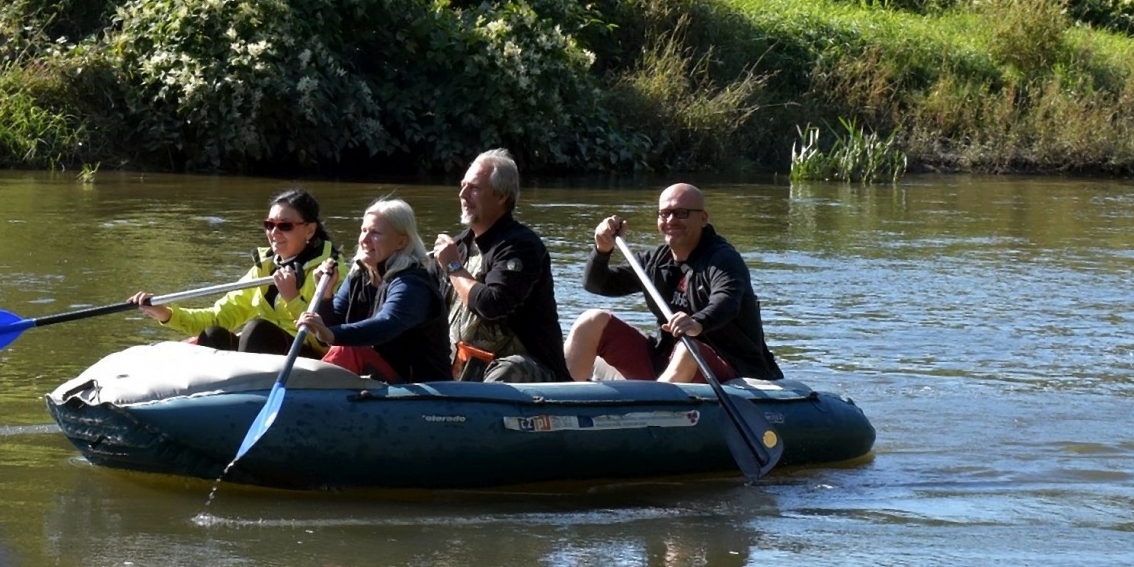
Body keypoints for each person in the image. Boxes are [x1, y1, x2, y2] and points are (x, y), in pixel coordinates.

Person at [564, 183, 782, 383]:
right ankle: (556, 404)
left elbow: (727, 300)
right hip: (668, 363)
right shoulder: (654, 262)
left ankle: (654, 413)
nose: (671, 220)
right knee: (591, 321)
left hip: (730, 371)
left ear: (703, 218)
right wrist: (602, 250)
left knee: (689, 351)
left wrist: (698, 322)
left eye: (681, 213)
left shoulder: (723, 259)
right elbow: (597, 284)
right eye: (664, 214)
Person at [127, 187, 336, 355]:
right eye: (269, 225)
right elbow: (218, 317)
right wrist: (166, 314)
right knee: (212, 334)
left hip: (310, 359)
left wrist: (292, 298)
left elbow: (328, 338)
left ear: (309, 229)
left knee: (256, 331)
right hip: (266, 356)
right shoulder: (264, 269)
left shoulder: (332, 271)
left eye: (285, 226)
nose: (274, 233)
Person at [431, 149, 567, 382]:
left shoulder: (520, 246)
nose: (463, 194)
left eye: (474, 188)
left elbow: (492, 304)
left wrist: (453, 267)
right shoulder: (458, 246)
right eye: (463, 186)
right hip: (464, 367)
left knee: (509, 369)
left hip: (530, 371)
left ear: (501, 196)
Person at [298, 198, 452, 383]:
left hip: (419, 387)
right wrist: (325, 295)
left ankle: (306, 398)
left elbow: (386, 324)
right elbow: (333, 324)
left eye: (375, 233)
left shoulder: (412, 284)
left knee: (348, 349)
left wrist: (331, 334)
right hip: (377, 378)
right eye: (364, 231)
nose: (364, 239)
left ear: (401, 242)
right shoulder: (359, 276)